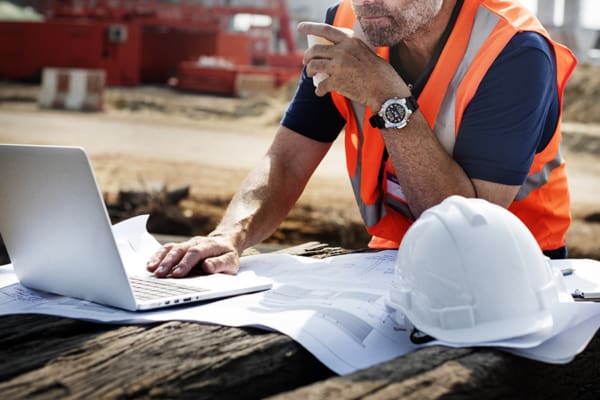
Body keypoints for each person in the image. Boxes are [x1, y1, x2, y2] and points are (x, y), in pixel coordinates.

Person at [147, 0, 577, 278]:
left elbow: (466, 235)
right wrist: (230, 235)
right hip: (392, 259)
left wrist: (388, 99)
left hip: (513, 272)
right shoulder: (347, 25)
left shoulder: (513, 51)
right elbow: (288, 159)